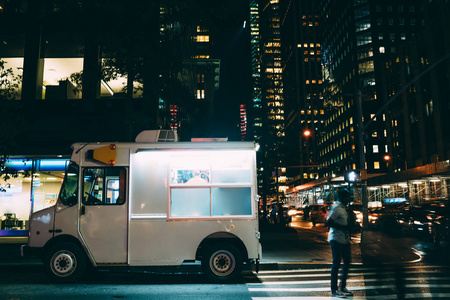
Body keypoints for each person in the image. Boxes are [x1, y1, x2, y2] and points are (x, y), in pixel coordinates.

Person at [326, 188, 353, 298]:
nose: (348, 199)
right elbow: (328, 222)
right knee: (336, 264)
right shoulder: (336, 207)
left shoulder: (343, 208)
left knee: (347, 262)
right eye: (347, 197)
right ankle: (334, 290)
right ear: (342, 197)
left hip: (344, 239)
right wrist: (344, 227)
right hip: (336, 239)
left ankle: (342, 286)